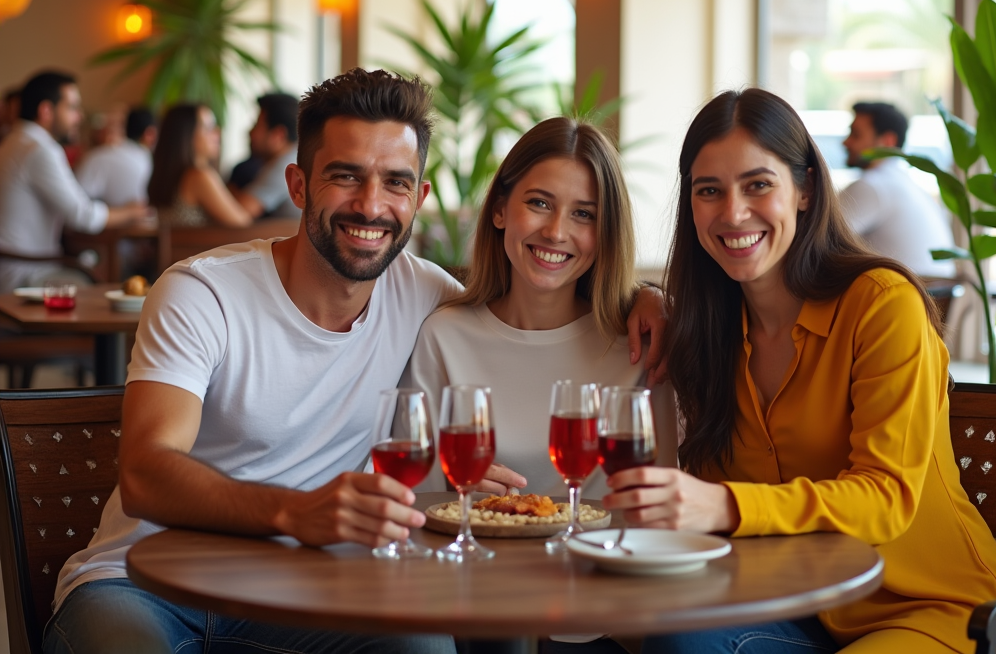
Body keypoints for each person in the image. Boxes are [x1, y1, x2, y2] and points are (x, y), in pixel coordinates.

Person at [44, 68, 669, 654]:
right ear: (297, 185)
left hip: (307, 592)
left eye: (395, 182)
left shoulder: (429, 300)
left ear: (418, 197)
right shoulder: (202, 293)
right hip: (143, 583)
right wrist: (294, 511)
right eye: (345, 176)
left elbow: (525, 303)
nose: (371, 206)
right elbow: (148, 473)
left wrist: (645, 297)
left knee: (422, 645)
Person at [603, 88, 996, 654]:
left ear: (803, 190)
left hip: (934, 613)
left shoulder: (882, 304)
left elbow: (884, 498)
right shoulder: (706, 332)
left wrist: (723, 506)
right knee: (635, 629)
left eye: (758, 185)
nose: (732, 212)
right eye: (709, 191)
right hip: (794, 610)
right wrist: (638, 296)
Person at [408, 117, 676, 501]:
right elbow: (417, 499)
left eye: (583, 214)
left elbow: (658, 501)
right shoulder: (443, 337)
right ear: (500, 209)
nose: (555, 231)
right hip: (479, 555)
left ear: (606, 232)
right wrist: (454, 490)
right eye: (539, 203)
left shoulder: (636, 344)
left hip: (603, 557)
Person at [0, 71, 149, 293]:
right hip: (26, 276)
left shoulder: (14, 141)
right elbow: (83, 216)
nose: (79, 117)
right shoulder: (40, 150)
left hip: (14, 266)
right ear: (46, 110)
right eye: (72, 108)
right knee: (106, 291)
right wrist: (131, 211)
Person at [839, 101, 955, 278]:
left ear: (888, 141)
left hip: (897, 298)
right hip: (931, 298)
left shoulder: (873, 185)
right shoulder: (908, 184)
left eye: (856, 135)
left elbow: (815, 240)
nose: (846, 142)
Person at [147, 103, 253, 227]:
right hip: (201, 247)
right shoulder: (198, 176)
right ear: (186, 135)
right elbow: (243, 224)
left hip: (180, 246)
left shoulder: (170, 176)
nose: (217, 132)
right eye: (209, 127)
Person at [232, 92, 303, 220]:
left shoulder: (287, 165)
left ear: (278, 135)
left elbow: (240, 214)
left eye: (257, 125)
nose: (250, 132)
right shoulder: (292, 156)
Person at [76, 105, 154, 207]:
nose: (110, 133)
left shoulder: (97, 157)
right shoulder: (94, 156)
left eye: (117, 125)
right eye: (109, 124)